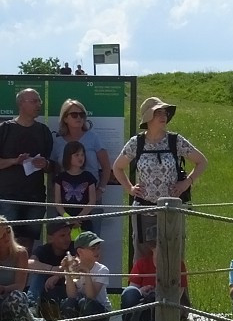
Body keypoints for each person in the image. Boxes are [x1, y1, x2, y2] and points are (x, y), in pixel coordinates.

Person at [113, 97, 208, 246]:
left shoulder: (175, 141)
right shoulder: (136, 143)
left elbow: (202, 161)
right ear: (148, 118)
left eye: (165, 113)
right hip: (143, 210)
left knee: (174, 255)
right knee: (143, 257)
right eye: (158, 113)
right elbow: (117, 167)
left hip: (172, 210)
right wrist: (130, 188)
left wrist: (186, 183)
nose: (163, 117)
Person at [0, 88, 53, 250]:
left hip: (35, 196)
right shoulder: (4, 129)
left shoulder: (43, 131)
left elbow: (53, 166)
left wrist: (46, 164)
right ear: (21, 104)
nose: (39, 105)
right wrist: (15, 161)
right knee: (5, 242)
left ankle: (24, 275)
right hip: (9, 197)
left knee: (28, 242)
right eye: (34, 101)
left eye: (39, 101)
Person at [120, 242, 190, 321]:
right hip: (143, 303)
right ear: (152, 248)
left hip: (166, 302)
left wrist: (160, 293)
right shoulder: (141, 263)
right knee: (129, 293)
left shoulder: (178, 265)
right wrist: (142, 291)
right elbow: (132, 289)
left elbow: (179, 293)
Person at [49, 98, 112, 201]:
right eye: (74, 115)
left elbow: (106, 167)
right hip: (66, 198)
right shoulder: (58, 142)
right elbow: (55, 171)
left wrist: (100, 190)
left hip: (91, 195)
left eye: (82, 114)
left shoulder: (93, 138)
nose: (79, 117)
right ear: (65, 118)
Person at [60, 230, 112, 321]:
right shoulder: (73, 267)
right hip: (81, 308)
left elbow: (91, 297)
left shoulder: (102, 270)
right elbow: (72, 296)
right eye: (93, 249)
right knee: (67, 303)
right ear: (80, 251)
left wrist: (87, 273)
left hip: (100, 310)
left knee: (85, 303)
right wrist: (67, 272)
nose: (97, 251)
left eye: (98, 248)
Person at [27, 219, 73, 320]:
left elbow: (75, 264)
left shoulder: (73, 248)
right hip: (45, 290)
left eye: (69, 234)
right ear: (50, 238)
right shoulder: (43, 250)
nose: (67, 239)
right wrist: (52, 269)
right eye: (62, 236)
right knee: (39, 274)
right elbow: (30, 263)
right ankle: (31, 307)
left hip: (67, 291)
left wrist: (57, 275)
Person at [53, 140, 97, 230]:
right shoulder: (60, 178)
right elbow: (57, 201)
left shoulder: (89, 177)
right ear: (68, 157)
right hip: (65, 222)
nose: (80, 158)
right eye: (76, 155)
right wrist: (67, 217)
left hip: (84, 221)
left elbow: (92, 201)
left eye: (82, 155)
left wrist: (78, 218)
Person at [0, 216, 32, 321]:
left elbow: (20, 285)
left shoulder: (21, 253)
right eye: (2, 234)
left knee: (17, 296)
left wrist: (3, 289)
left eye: (8, 231)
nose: (6, 237)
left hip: (11, 300)